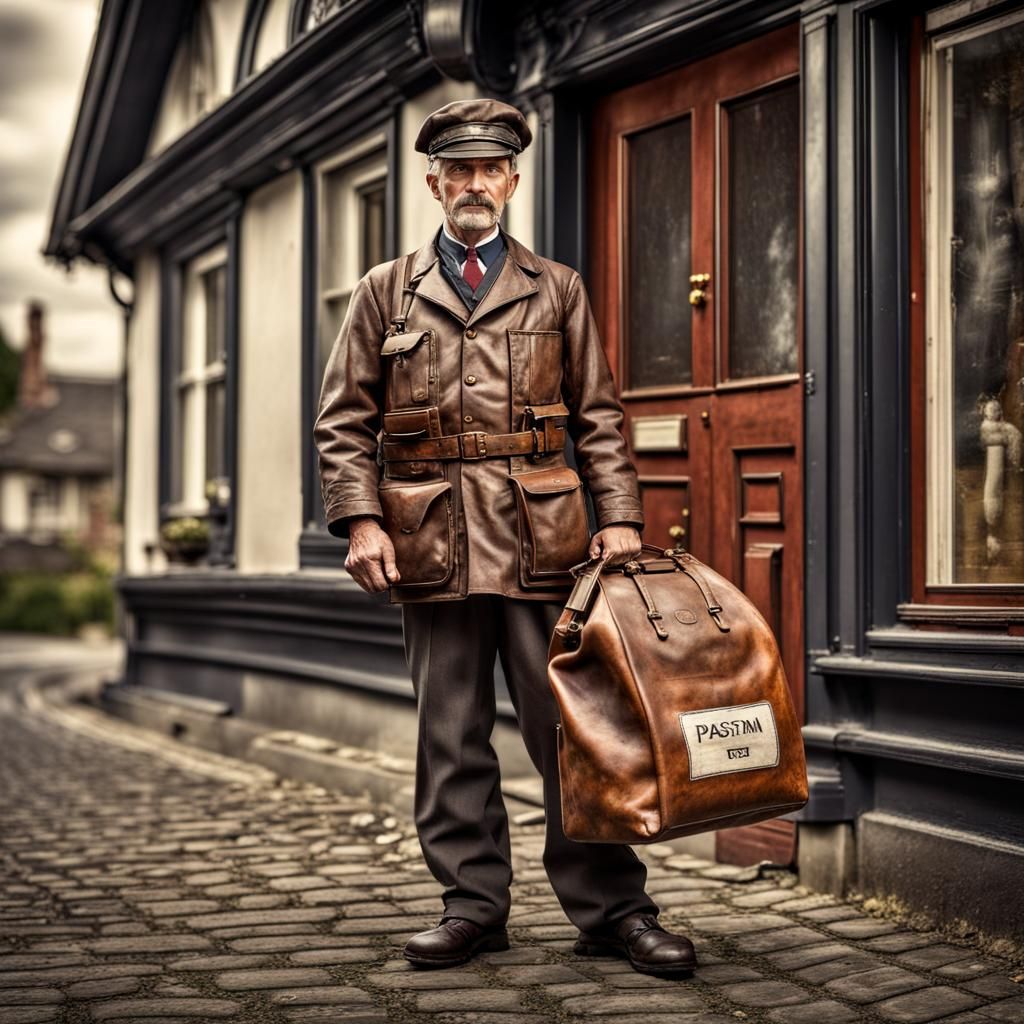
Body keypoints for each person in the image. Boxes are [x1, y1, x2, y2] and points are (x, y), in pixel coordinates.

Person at [314, 98, 697, 978]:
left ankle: (612, 911)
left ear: (513, 182)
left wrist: (622, 519)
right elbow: (343, 422)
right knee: (449, 738)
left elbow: (598, 418)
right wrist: (362, 518)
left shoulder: (557, 287)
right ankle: (472, 909)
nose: (475, 184)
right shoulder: (386, 289)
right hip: (429, 542)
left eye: (492, 169)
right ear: (434, 182)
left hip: (543, 542)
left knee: (571, 735)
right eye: (460, 170)